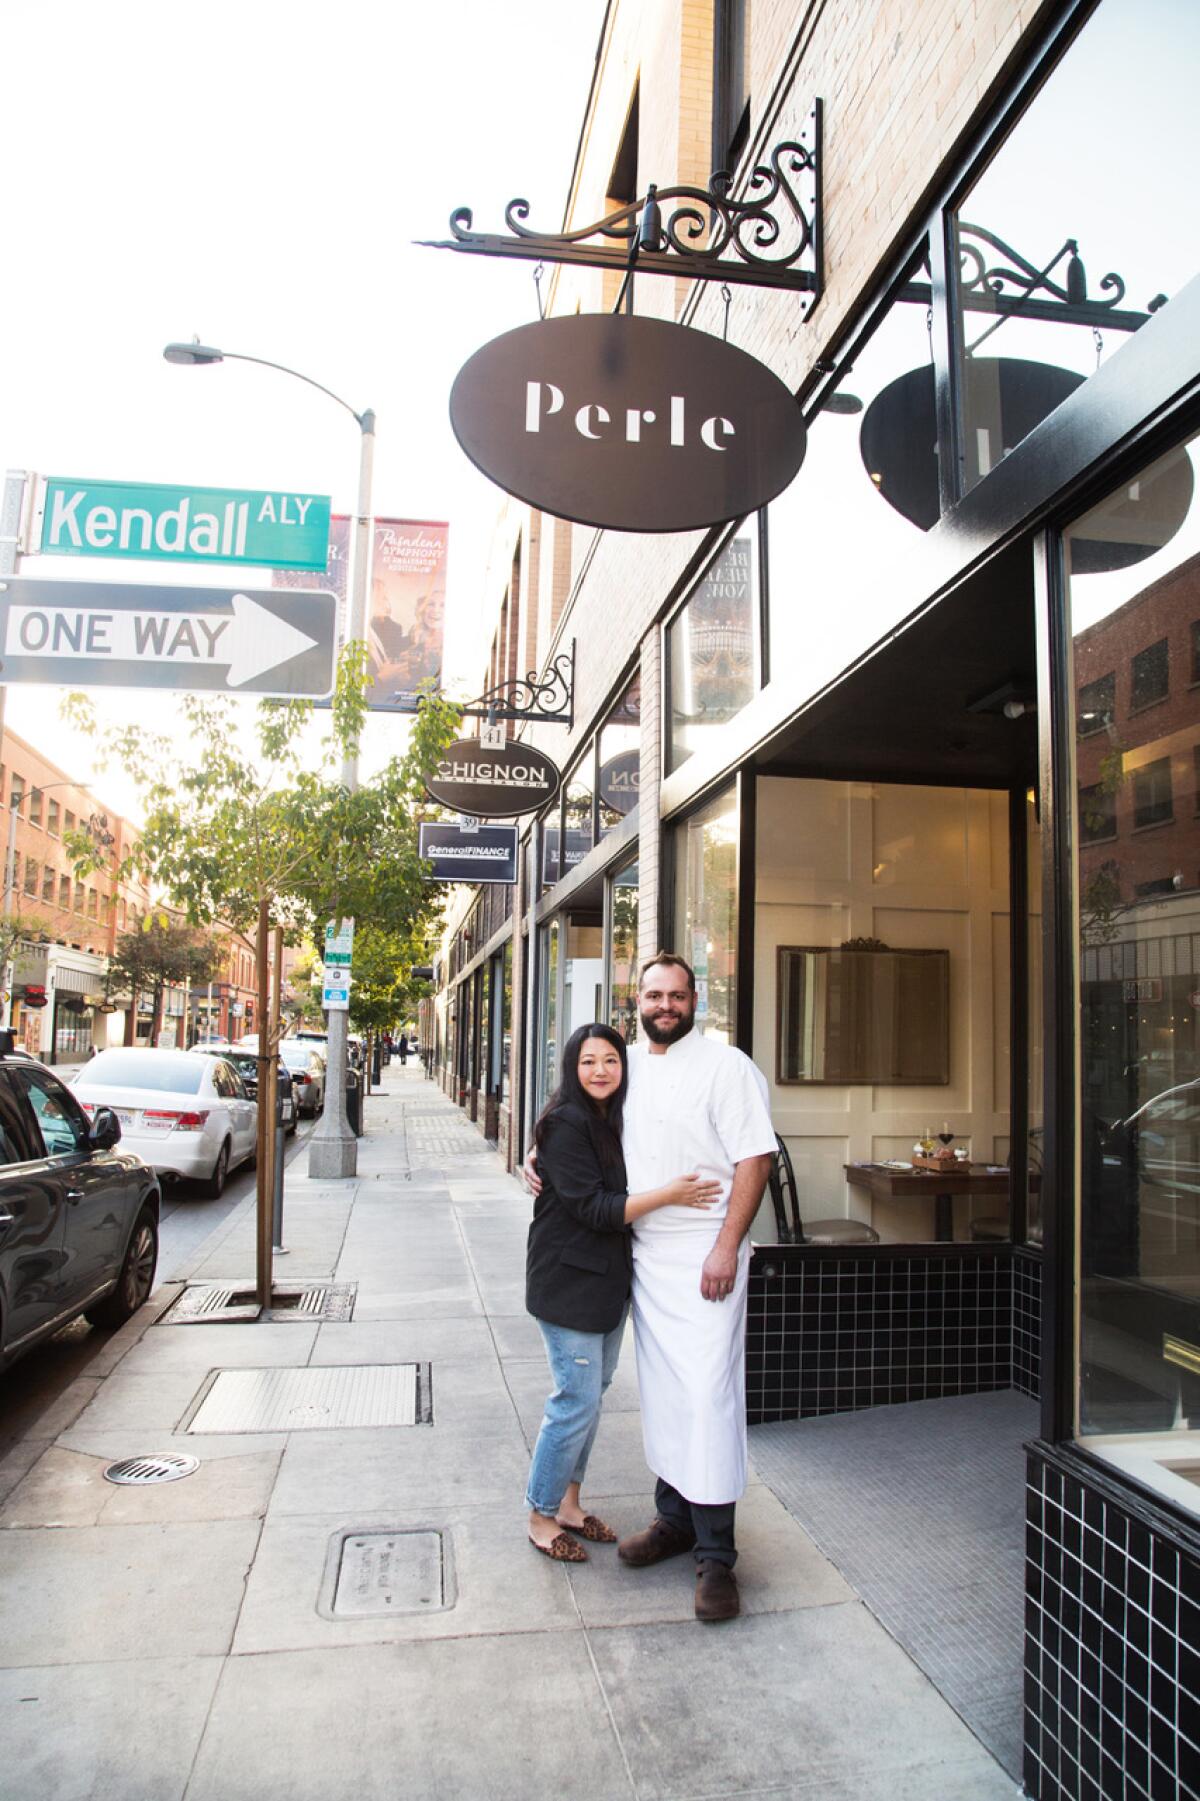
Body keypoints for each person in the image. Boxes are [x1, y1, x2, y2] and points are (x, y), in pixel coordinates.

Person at [525, 954, 775, 1621]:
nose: (665, 1004)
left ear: (697, 999)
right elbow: (577, 1109)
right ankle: (675, 1521)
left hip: (704, 1258)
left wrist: (727, 1244)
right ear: (637, 999)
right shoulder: (627, 1064)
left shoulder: (728, 1066)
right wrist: (536, 1151)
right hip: (639, 1254)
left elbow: (757, 1156)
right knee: (663, 1394)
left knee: (705, 1395)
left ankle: (717, 1555)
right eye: (653, 994)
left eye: (676, 994)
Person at [525, 1022, 721, 1562]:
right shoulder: (566, 1122)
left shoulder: (612, 1118)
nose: (600, 1071)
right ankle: (541, 1513)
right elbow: (595, 1208)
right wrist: (672, 1195)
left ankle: (568, 1502)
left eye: (610, 1060)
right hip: (568, 1283)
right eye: (588, 1062)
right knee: (575, 1400)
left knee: (589, 1398)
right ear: (572, 1067)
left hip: (607, 1284)